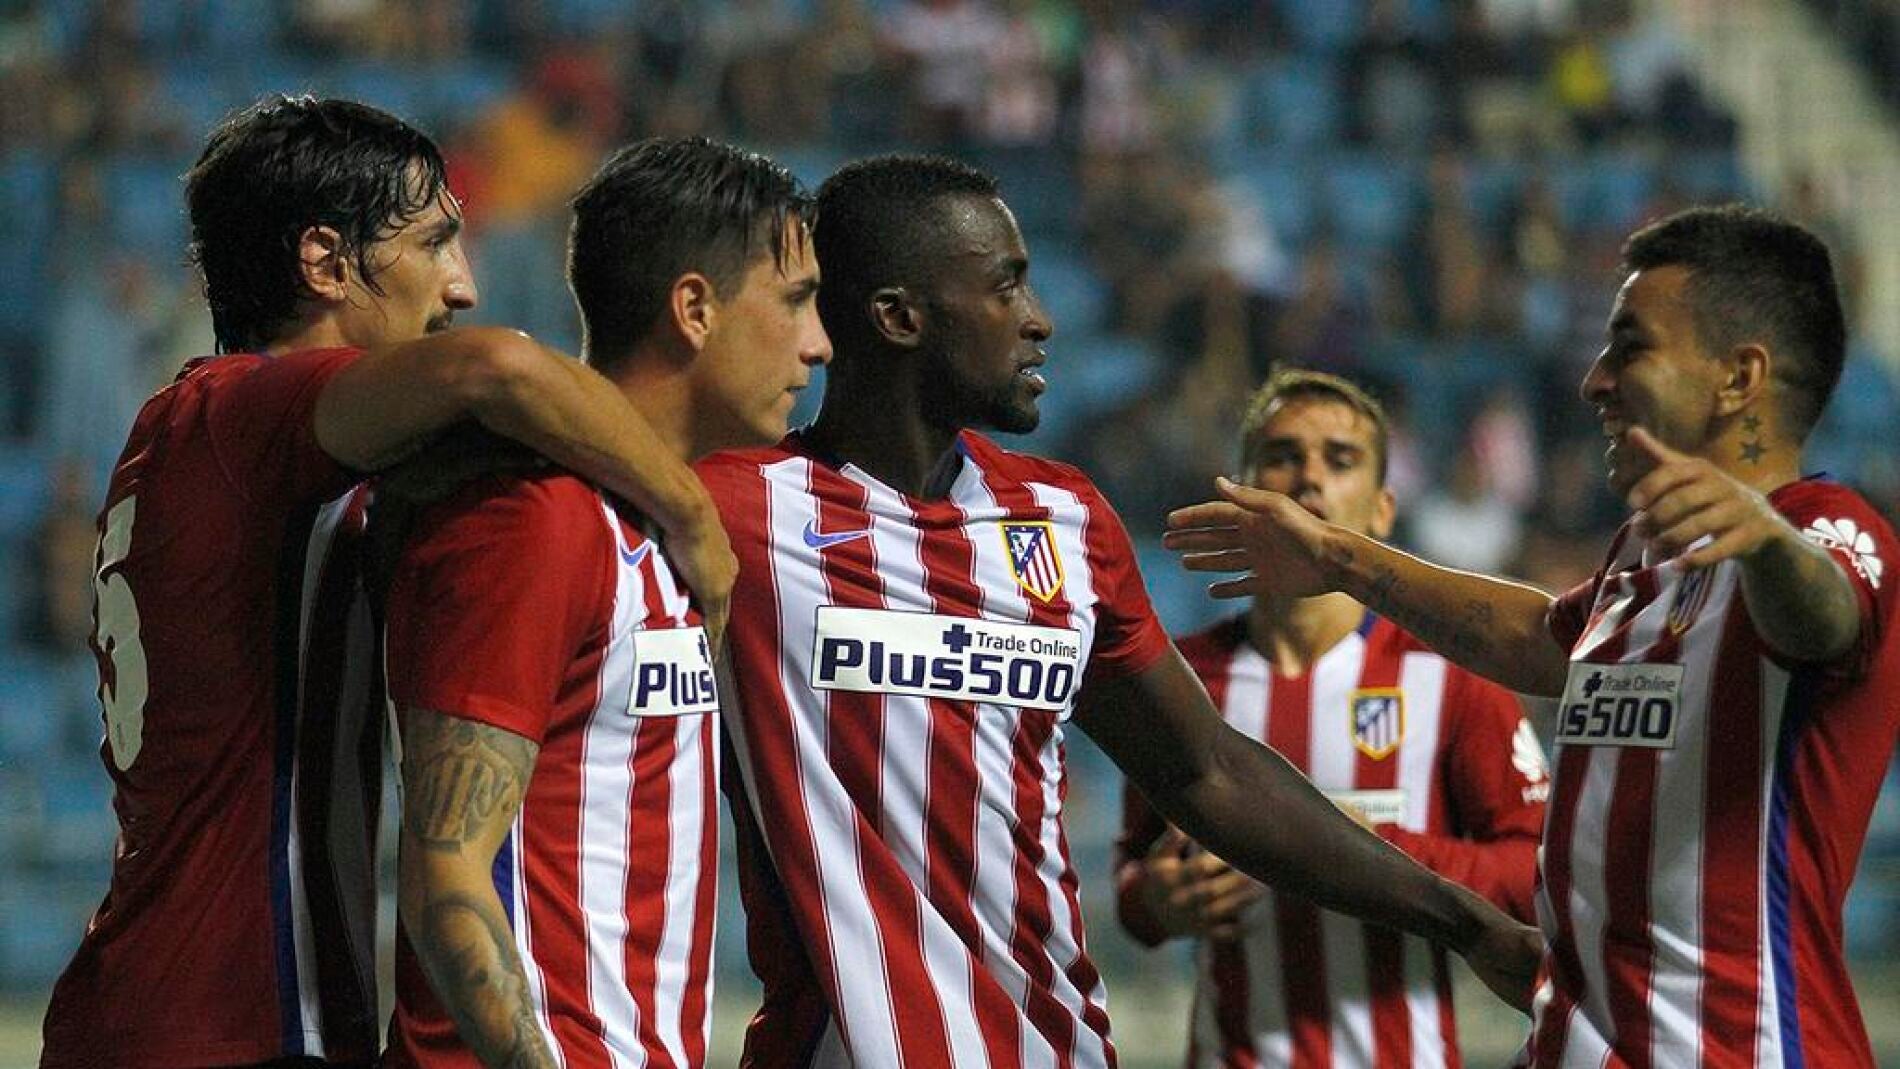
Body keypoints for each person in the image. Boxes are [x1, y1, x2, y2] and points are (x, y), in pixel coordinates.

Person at [694, 154, 1541, 1069]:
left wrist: (1464, 921)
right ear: (900, 317)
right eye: (1007, 287)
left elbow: (1205, 769)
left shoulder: (1062, 518)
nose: (1041, 319)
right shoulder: (734, 512)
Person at [39, 97, 737, 1069]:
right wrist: (693, 517)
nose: (461, 285)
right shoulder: (242, 410)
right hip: (224, 1018)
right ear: (325, 262)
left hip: (171, 1001)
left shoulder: (201, 435)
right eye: (436, 243)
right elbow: (498, 367)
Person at [1167, 205, 1900, 1067]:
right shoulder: (1640, 560)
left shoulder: (1830, 531)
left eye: (1630, 346)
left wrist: (1768, 543)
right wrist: (1336, 556)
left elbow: (1825, 616)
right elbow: (1535, 634)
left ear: (1739, 379)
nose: (1594, 379)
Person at [379, 137, 830, 1069]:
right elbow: (445, 875)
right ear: (695, 309)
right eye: (793, 300)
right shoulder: (540, 522)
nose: (817, 341)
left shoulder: (674, 537)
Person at [1115, 369, 1549, 1068]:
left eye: (1339, 459)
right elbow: (1133, 881)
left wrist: (1373, 846)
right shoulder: (1183, 678)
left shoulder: (1449, 672)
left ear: (1381, 510)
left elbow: (1537, 875)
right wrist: (1163, 900)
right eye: (1282, 455)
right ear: (1245, 487)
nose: (1308, 476)